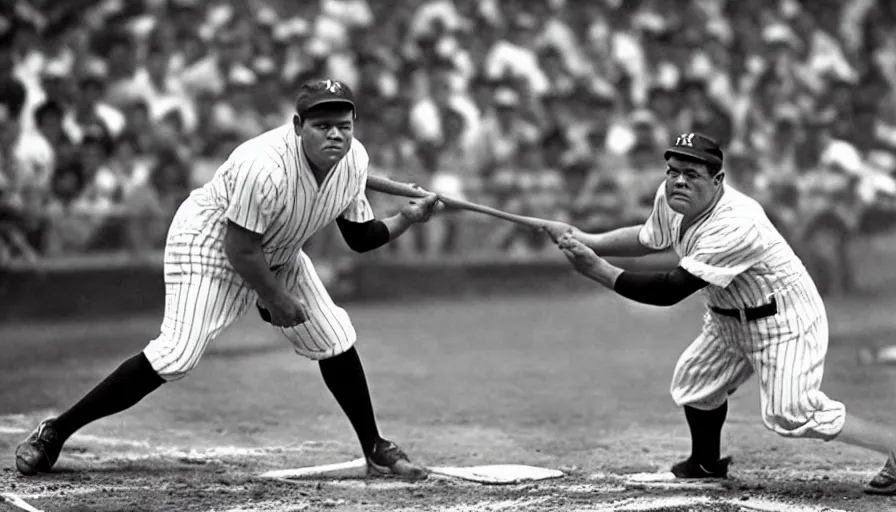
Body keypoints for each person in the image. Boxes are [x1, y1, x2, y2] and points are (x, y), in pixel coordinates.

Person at [15, 79, 441, 480]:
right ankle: (55, 431)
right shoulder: (263, 166)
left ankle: (374, 447)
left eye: (343, 127)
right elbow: (240, 250)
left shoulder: (354, 162)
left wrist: (407, 216)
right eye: (322, 125)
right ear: (297, 126)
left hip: (276, 249)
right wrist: (273, 297)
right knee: (176, 355)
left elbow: (361, 237)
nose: (335, 135)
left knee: (334, 337)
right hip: (210, 245)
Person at [543, 132, 896, 495]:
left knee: (792, 413)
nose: (679, 179)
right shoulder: (673, 197)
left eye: (692, 173)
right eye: (673, 170)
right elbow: (649, 237)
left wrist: (597, 270)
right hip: (726, 315)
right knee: (695, 384)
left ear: (717, 180)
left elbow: (669, 289)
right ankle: (706, 463)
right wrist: (585, 237)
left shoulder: (736, 224)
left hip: (783, 319)